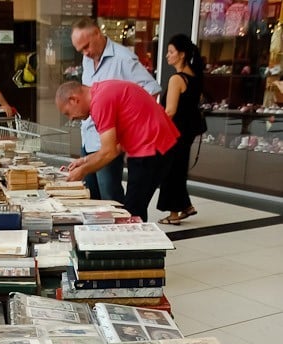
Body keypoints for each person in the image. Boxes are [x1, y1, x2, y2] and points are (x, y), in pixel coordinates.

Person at [56, 80, 179, 221]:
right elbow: (114, 147)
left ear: (74, 99)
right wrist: (85, 160)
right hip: (151, 145)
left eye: (67, 113)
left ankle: (134, 239)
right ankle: (134, 237)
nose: (71, 119)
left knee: (133, 210)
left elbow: (109, 152)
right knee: (134, 206)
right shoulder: (101, 92)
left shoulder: (100, 102)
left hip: (153, 147)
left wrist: (82, 171)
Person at [71, 17, 161, 204]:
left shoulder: (123, 58)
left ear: (97, 33)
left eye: (87, 46)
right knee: (90, 197)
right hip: (88, 137)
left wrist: (130, 135)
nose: (85, 53)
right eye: (81, 50)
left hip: (109, 142)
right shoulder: (88, 60)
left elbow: (151, 92)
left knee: (110, 199)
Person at [157, 34, 205, 225]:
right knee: (179, 169)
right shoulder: (195, 77)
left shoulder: (176, 79)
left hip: (174, 132)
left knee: (170, 171)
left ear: (182, 54)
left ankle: (174, 213)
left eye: (170, 52)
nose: (167, 56)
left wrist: (153, 126)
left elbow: (170, 111)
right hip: (188, 131)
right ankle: (186, 206)